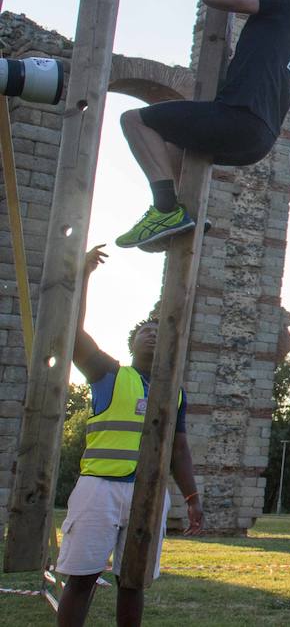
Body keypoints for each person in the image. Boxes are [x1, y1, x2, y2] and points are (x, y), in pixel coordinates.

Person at [116, 0, 290, 249]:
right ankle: (184, 213)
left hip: (238, 119)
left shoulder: (282, 1)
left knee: (134, 120)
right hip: (258, 142)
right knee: (175, 147)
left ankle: (165, 210)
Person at [57, 245, 204, 627]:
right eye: (144, 331)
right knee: (83, 579)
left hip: (149, 493)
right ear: (131, 344)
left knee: (133, 581)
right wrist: (84, 276)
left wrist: (191, 497)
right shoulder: (109, 374)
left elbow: (180, 449)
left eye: (158, 330)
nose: (152, 335)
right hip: (100, 489)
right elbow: (73, 333)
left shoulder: (175, 391)